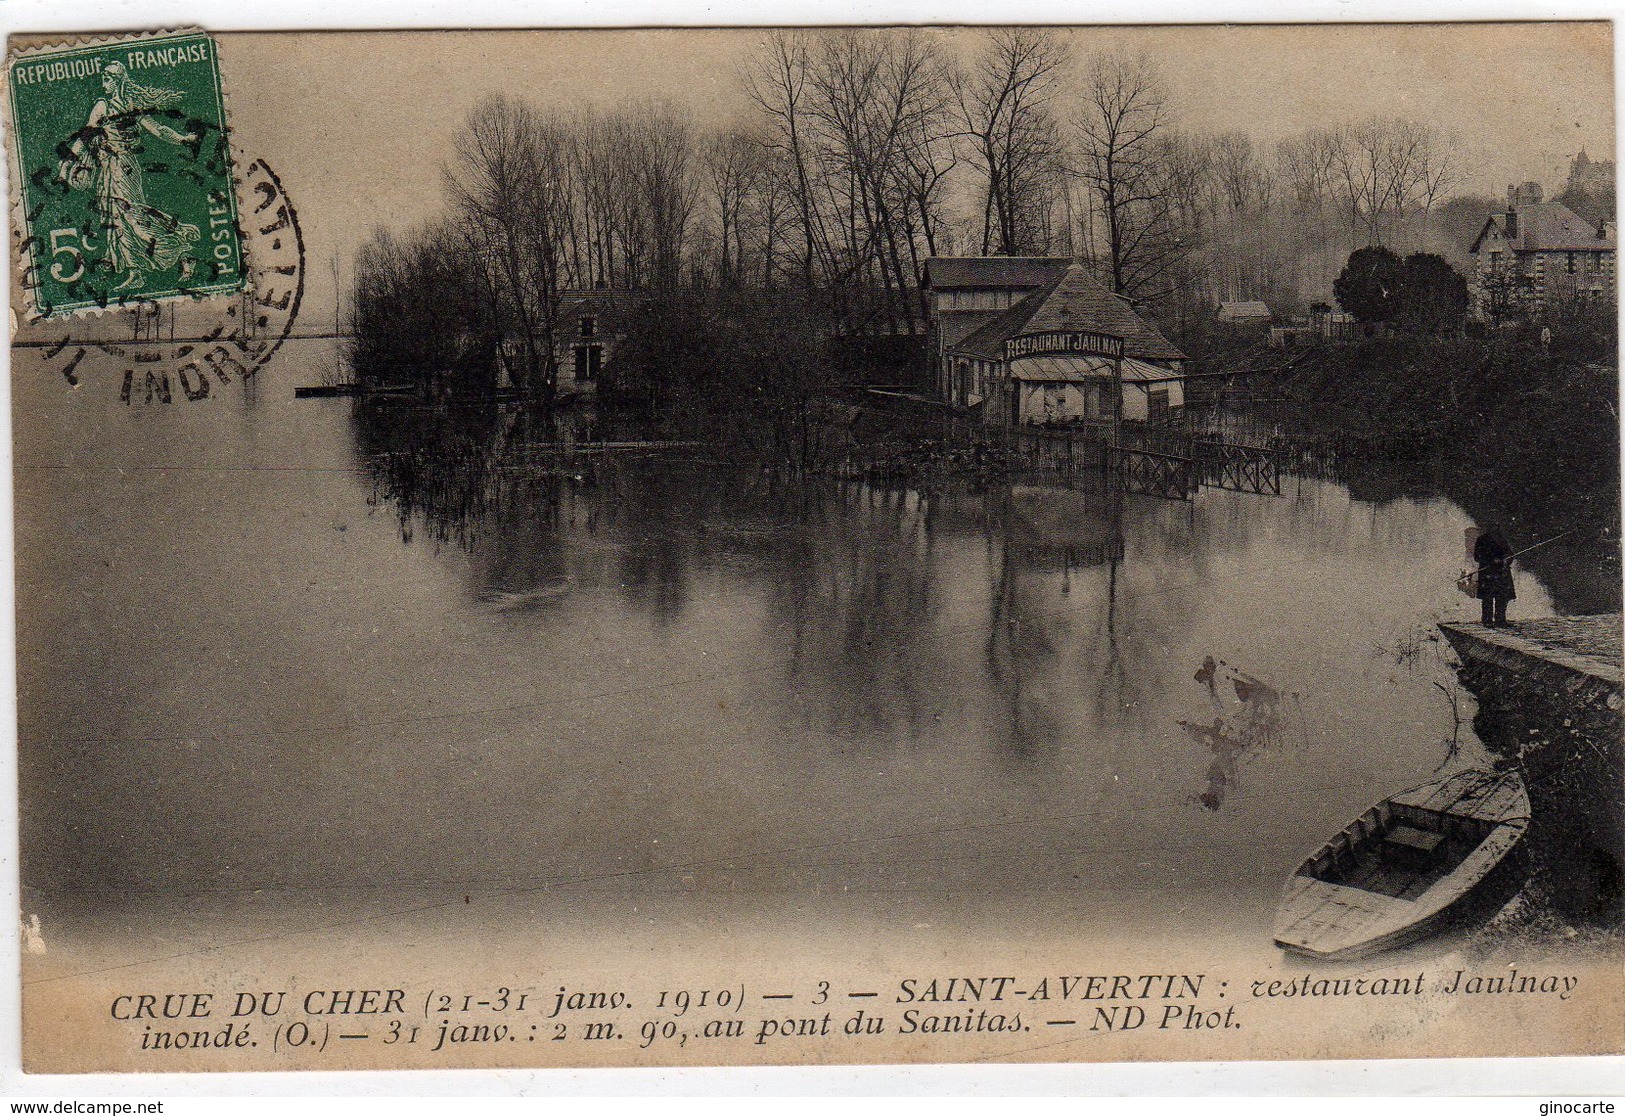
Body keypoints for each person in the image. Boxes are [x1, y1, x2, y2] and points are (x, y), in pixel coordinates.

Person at [58, 61, 201, 292]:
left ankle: (181, 248)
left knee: (132, 215)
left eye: (107, 79)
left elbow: (157, 130)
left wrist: (183, 139)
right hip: (114, 167)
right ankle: (137, 273)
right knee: (117, 219)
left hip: (121, 167)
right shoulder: (124, 105)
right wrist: (68, 163)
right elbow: (86, 138)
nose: (103, 84)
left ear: (118, 81)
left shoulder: (105, 106)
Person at [1473, 527, 1516, 627]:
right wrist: (1492, 560)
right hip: (1488, 573)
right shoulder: (1481, 540)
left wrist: (1507, 560)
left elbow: (1509, 553)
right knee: (1487, 597)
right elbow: (1477, 557)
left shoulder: (1501, 539)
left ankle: (1500, 620)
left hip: (1502, 572)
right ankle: (1487, 620)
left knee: (1502, 597)